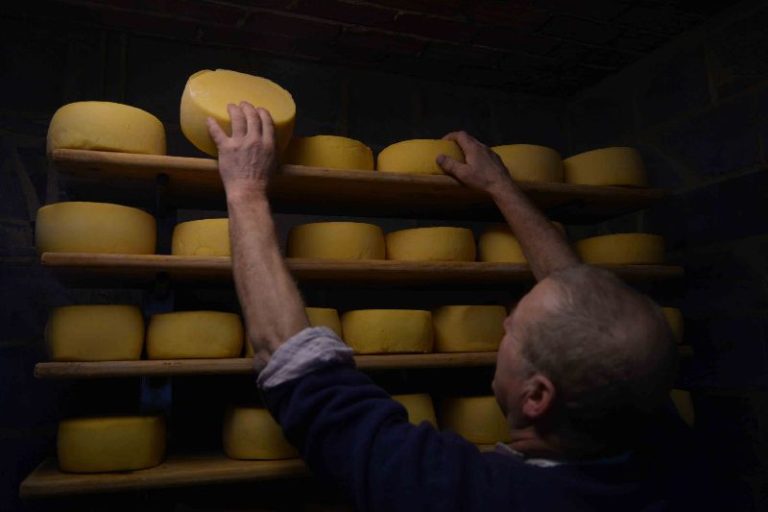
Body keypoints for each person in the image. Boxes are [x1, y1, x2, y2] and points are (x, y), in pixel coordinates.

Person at [206, 102, 733, 511]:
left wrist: (246, 189)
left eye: (515, 329)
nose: (504, 322)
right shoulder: (668, 449)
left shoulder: (462, 497)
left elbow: (298, 367)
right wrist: (501, 188)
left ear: (536, 397)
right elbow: (582, 297)